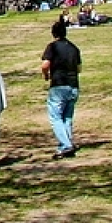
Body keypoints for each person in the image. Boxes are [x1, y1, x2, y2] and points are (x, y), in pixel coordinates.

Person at [40, 20, 82, 159]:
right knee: (67, 117)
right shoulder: (74, 48)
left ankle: (65, 145)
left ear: (53, 33)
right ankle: (67, 143)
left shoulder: (52, 47)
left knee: (55, 117)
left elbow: (45, 65)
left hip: (59, 84)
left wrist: (46, 75)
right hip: (73, 85)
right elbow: (79, 68)